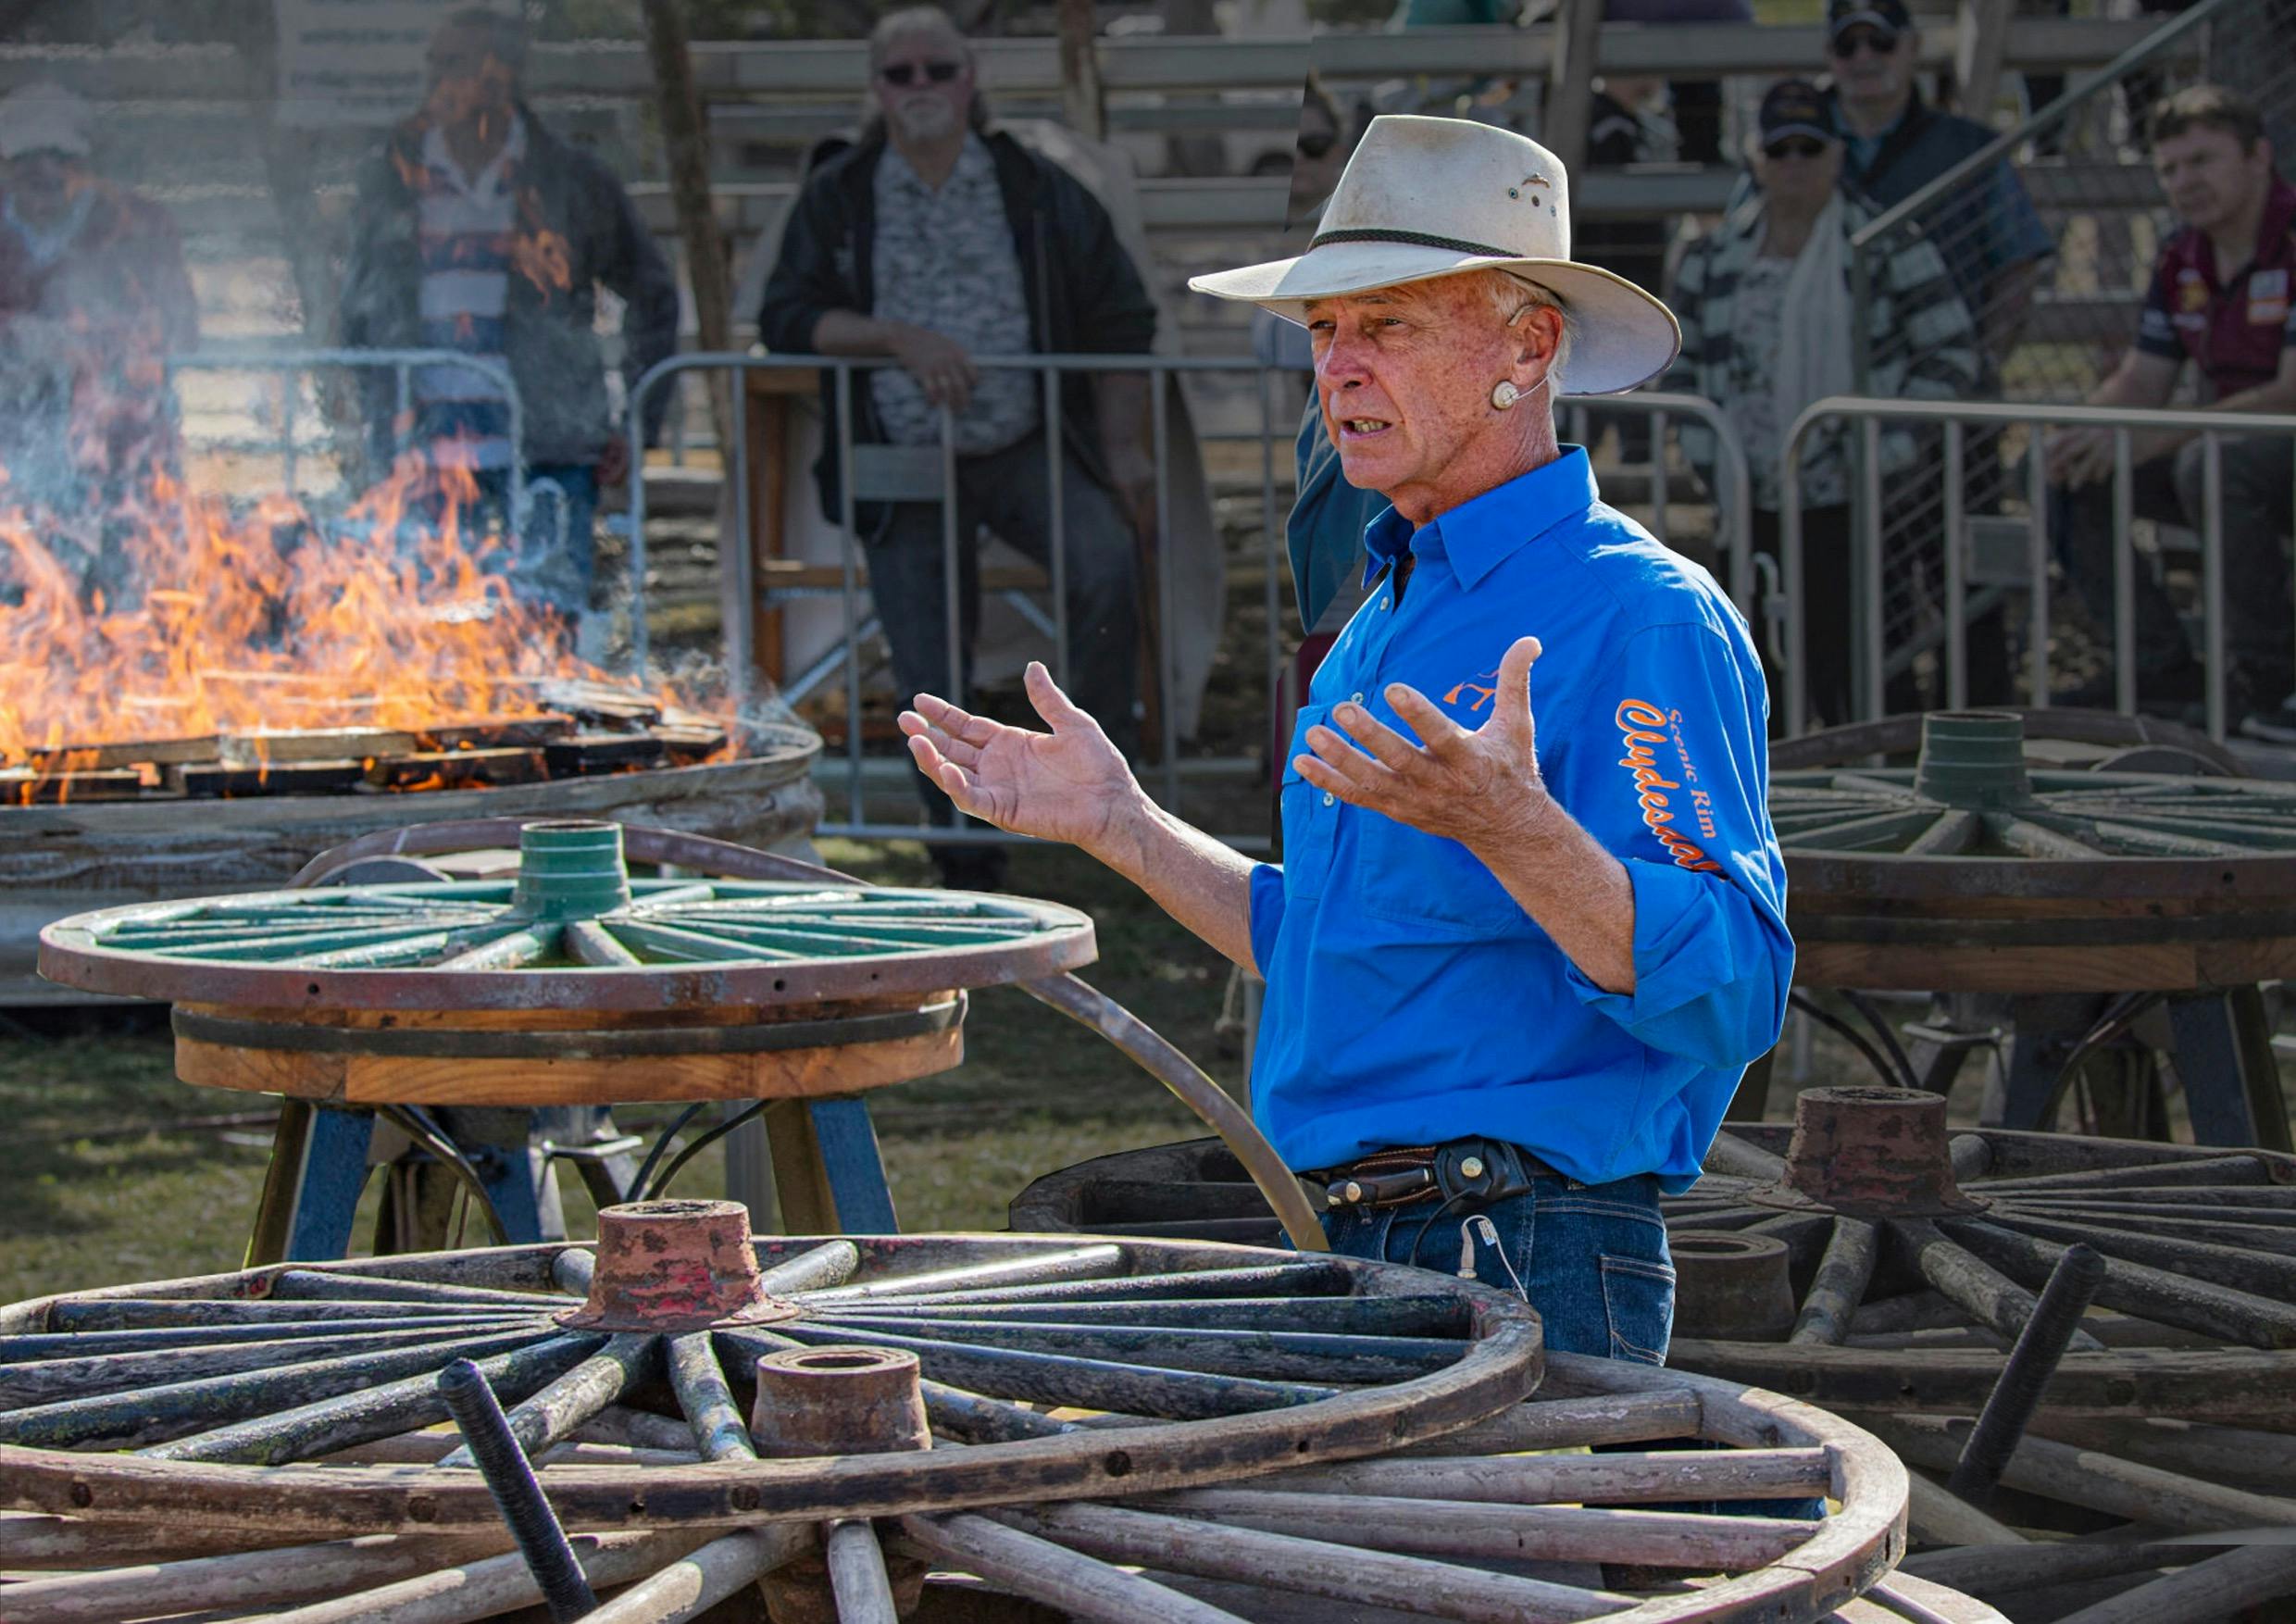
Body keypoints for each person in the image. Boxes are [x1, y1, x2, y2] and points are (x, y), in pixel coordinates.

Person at [902, 115, 1791, 1360]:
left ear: (1527, 347)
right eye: (1325, 332)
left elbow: (1740, 992)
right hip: (1372, 1240)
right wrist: (1123, 825)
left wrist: (1515, 828)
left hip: (1522, 1242)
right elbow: (1325, 941)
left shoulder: (1641, 614)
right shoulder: (1387, 613)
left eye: (1389, 326)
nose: (1340, 368)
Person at [758, 5, 1159, 893]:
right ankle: (964, 849)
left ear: (970, 80)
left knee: (1103, 563)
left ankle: (1103, 807)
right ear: (878, 90)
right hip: (902, 453)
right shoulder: (842, 193)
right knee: (925, 647)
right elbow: (785, 316)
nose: (921, 87)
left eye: (938, 69)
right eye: (900, 74)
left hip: (1025, 438)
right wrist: (895, 337)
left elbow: (1123, 312)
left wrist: (1125, 448)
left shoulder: (1035, 185)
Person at [340, 7, 678, 633]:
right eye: (435, 64)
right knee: (428, 638)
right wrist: (373, 411)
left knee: (546, 637)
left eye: (458, 65)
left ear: (504, 77)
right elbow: (357, 309)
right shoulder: (392, 178)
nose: (440, 80)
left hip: (547, 449)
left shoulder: (569, 181)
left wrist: (637, 417)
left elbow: (653, 295)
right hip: (425, 458)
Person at [1667, 81, 1979, 729]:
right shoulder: (1710, 258)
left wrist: (1883, 452)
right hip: (1748, 497)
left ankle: (1877, 802)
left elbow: (1951, 355)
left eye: (1810, 146)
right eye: (1780, 148)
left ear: (1837, 154)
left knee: (1861, 669)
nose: (1795, 162)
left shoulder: (1886, 245)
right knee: (1754, 673)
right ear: (1756, 158)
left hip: (1856, 500)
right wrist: (1711, 459)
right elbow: (1683, 371)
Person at [2044, 85, 2296, 736]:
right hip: (2225, 449)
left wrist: (2150, 440)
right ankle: (2158, 667)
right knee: (2059, 469)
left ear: (2259, 157)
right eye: (2171, 169)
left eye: (2204, 161)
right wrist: (2081, 431)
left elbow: (2290, 392)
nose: (2186, 181)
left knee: (2209, 465)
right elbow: (2143, 378)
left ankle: (2268, 686)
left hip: (2260, 447)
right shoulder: (2181, 253)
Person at [0, 81, 197, 554]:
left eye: (58, 163)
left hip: (123, 441)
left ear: (83, 165)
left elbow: (182, 329)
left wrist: (85, 343)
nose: (45, 176)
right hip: (11, 442)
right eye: (28, 167)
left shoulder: (139, 227)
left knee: (129, 573)